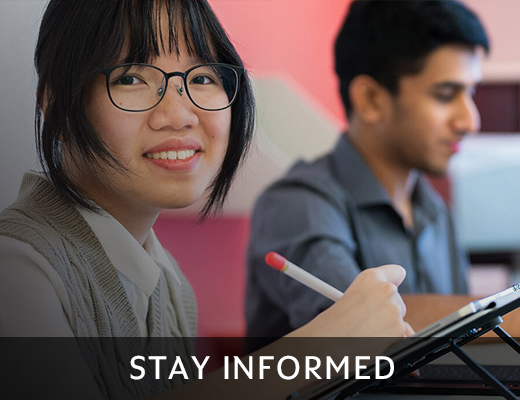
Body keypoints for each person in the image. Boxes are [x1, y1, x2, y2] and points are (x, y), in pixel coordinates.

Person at [0, 1, 411, 399]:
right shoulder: (16, 268)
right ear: (54, 103)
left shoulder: (170, 284)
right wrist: (322, 348)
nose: (179, 115)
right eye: (131, 77)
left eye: (202, 78)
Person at [246, 0, 489, 345]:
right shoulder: (297, 204)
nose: (470, 121)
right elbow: (358, 323)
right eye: (446, 94)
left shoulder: (435, 213)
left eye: (471, 93)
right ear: (372, 98)